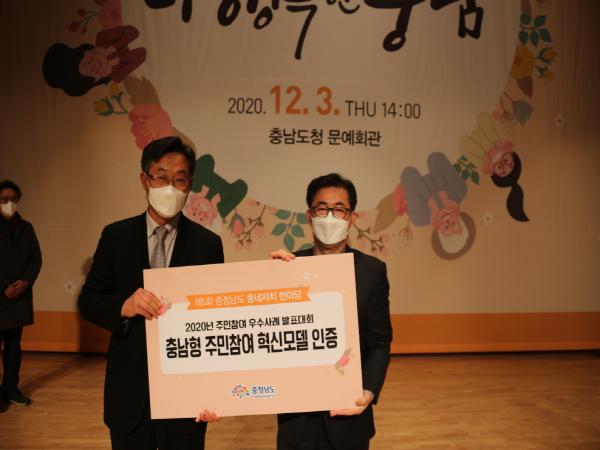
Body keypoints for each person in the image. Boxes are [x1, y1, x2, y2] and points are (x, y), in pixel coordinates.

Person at [78, 136, 221, 450]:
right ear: (145, 180)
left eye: (180, 179)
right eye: (161, 177)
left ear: (189, 185)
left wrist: (213, 391)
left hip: (185, 399)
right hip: (129, 394)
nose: (170, 187)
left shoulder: (208, 245)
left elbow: (216, 320)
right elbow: (88, 301)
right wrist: (123, 306)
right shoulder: (115, 237)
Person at [271, 173, 393, 450]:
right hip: (296, 417)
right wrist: (270, 277)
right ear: (309, 215)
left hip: (348, 414)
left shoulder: (371, 271)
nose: (329, 217)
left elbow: (379, 341)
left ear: (351, 217)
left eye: (339, 209)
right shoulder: (287, 267)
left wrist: (368, 391)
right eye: (322, 209)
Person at [0, 180, 42, 408]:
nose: (9, 203)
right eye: (4, 199)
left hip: (19, 297)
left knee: (14, 349)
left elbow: (36, 258)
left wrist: (24, 283)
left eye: (13, 199)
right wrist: (5, 285)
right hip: (1, 295)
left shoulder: (27, 227)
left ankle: (11, 389)